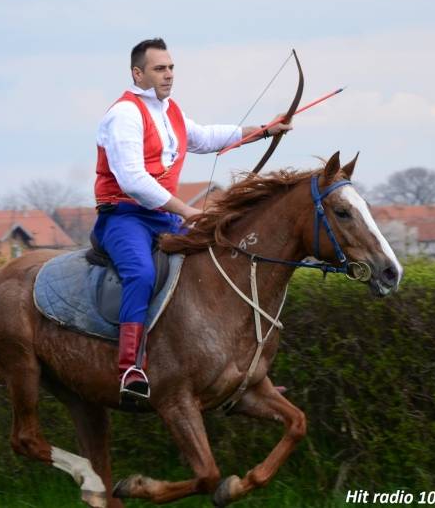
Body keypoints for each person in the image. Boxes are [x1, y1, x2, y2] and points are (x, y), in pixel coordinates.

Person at [93, 38, 292, 401]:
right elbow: (133, 181)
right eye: (159, 69)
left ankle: (233, 372)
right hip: (124, 218)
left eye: (170, 67)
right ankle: (130, 368)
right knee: (140, 274)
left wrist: (263, 130)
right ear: (138, 73)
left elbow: (203, 137)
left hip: (163, 218)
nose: (168, 74)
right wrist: (185, 210)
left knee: (222, 258)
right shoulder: (123, 115)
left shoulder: (170, 111)